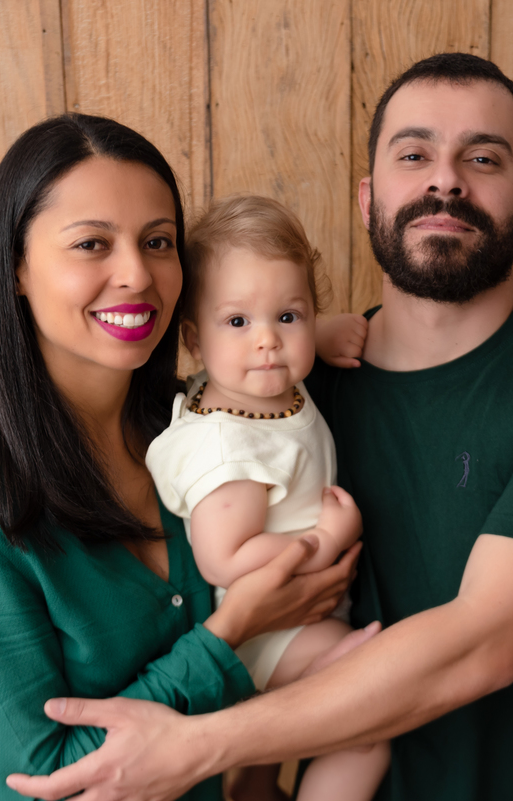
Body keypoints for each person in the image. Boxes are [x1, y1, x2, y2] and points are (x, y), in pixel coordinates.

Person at [7, 53, 513, 801]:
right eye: (413, 154)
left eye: (483, 158)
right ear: (367, 199)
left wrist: (196, 748)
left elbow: (482, 646)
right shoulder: (284, 388)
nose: (446, 180)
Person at [0, 114, 359, 801]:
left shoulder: (202, 421)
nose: (137, 274)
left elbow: (268, 333)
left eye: (157, 242)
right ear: (17, 268)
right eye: (91, 243)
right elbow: (40, 780)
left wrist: (322, 332)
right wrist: (234, 628)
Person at [144, 194, 389, 801]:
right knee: (369, 713)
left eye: (288, 316)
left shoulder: (244, 383)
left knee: (284, 740)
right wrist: (324, 540)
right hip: (270, 634)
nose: (267, 343)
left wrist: (317, 334)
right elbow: (223, 558)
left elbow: (267, 333)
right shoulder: (232, 450)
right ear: (194, 340)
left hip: (297, 616)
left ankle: (252, 787)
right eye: (238, 323)